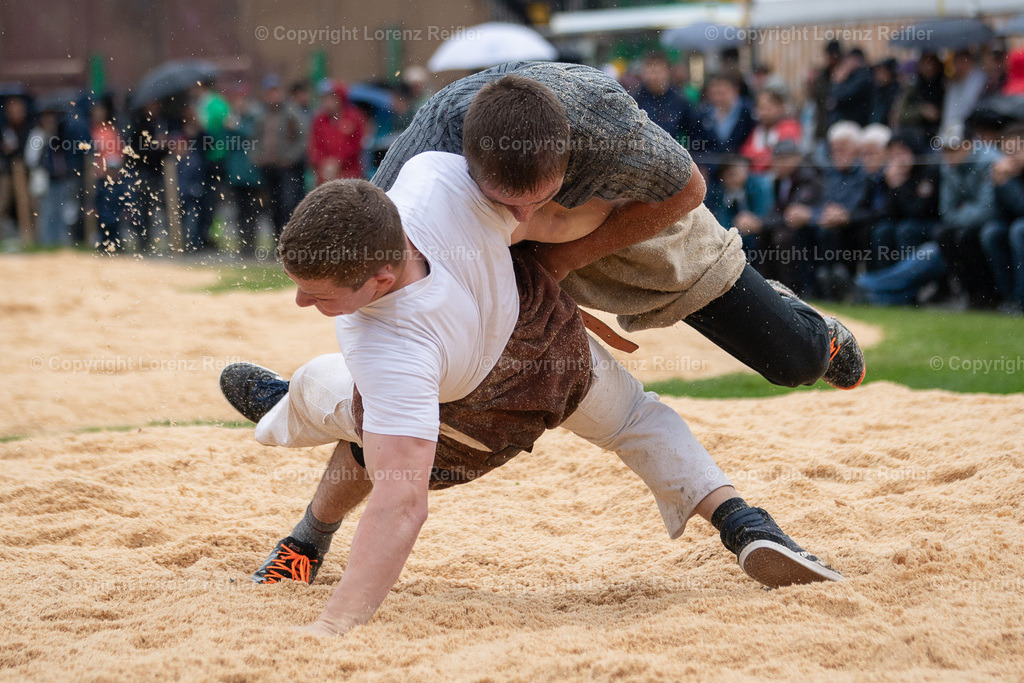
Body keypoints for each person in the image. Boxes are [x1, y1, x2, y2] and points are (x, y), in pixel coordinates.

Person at [220, 151, 842, 636]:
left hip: (472, 412)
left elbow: (400, 505)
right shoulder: (432, 179)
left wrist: (337, 623)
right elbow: (549, 214)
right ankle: (744, 522)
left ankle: (294, 480)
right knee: (637, 418)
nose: (303, 301)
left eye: (320, 292)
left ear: (382, 276)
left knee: (338, 407)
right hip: (548, 340)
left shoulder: (388, 351)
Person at [372, 65, 866, 392]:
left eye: (538, 200)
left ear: (568, 161)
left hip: (637, 216)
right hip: (530, 249)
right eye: (508, 205)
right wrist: (531, 283)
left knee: (794, 362)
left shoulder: (599, 119)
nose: (522, 215)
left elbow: (688, 188)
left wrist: (563, 259)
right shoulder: (425, 156)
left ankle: (810, 325)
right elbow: (370, 251)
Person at [251, 75, 306, 239]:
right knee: (271, 205)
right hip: (268, 166)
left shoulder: (291, 113)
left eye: (276, 92)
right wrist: (256, 156)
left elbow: (303, 137)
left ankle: (289, 237)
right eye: (270, 92)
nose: (273, 96)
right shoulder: (260, 115)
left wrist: (290, 157)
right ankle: (277, 237)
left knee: (288, 203)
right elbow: (254, 138)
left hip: (287, 168)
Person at [308, 82, 366, 184]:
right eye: (324, 99)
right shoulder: (319, 120)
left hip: (349, 175)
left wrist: (338, 161)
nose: (327, 102)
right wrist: (323, 162)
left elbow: (356, 145)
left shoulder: (353, 118)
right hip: (325, 176)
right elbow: (314, 146)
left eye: (331, 98)